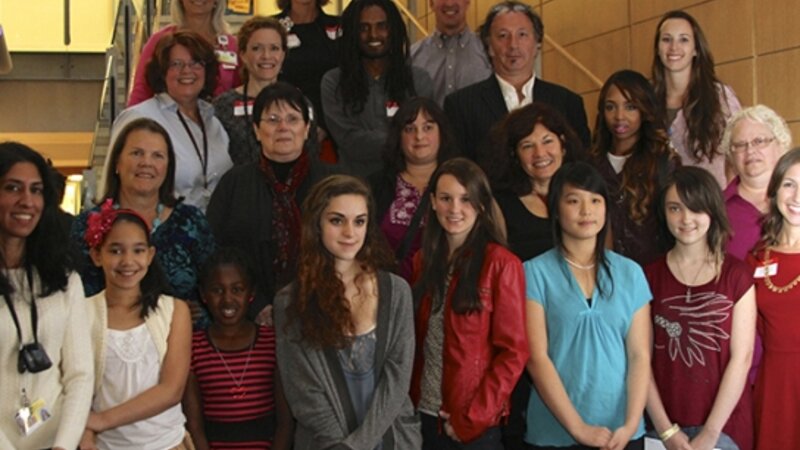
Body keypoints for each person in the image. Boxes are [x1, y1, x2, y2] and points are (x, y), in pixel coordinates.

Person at [274, 174, 421, 449]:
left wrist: (357, 445)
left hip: (393, 439)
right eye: (337, 220)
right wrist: (340, 446)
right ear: (316, 224)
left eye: (359, 221)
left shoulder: (397, 291)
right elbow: (303, 392)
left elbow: (398, 379)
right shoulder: (290, 302)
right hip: (326, 443)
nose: (350, 233)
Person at [524, 162, 651, 449]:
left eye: (595, 200)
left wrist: (630, 424)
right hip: (554, 433)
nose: (586, 210)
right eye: (573, 201)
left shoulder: (630, 273)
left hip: (621, 431)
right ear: (555, 209)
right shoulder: (533, 273)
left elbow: (639, 355)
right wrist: (578, 428)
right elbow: (536, 357)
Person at [411, 157, 529, 448]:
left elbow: (514, 353)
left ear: (481, 204)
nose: (454, 209)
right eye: (446, 198)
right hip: (422, 417)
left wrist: (473, 419)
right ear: (433, 202)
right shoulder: (423, 262)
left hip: (470, 424)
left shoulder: (501, 264)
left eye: (466, 199)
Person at [645, 166, 755, 450]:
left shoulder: (737, 275)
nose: (686, 219)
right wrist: (666, 430)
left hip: (725, 428)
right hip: (662, 427)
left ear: (712, 211)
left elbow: (741, 358)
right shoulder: (647, 277)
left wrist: (710, 432)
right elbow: (639, 360)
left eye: (695, 208)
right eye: (675, 208)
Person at [207, 82, 336, 321]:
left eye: (293, 119)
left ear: (307, 128)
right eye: (273, 119)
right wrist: (256, 305)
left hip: (320, 312)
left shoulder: (333, 184)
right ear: (256, 130)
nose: (283, 127)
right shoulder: (234, 183)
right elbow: (216, 251)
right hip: (247, 314)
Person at [72, 118, 216, 328]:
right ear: (117, 163)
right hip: (108, 343)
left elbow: (214, 285)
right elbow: (77, 296)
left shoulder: (191, 222)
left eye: (157, 155)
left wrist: (191, 312)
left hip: (188, 344)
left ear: (168, 167)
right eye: (136, 153)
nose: (146, 162)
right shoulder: (86, 225)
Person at [0, 142, 93, 450]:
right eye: (13, 188)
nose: (27, 201)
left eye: (36, 190)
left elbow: (80, 375)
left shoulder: (64, 277)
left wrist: (63, 447)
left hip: (54, 441)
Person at [80, 203, 191, 449]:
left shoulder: (173, 311)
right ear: (97, 255)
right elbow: (77, 384)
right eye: (116, 251)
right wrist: (86, 430)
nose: (128, 261)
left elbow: (171, 390)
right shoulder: (82, 313)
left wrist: (99, 420)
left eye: (138, 250)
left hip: (167, 444)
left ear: (150, 255)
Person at [444, 0, 590, 163]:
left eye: (522, 34)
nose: (513, 45)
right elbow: (458, 173)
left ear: (537, 44)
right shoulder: (461, 105)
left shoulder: (568, 103)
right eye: (503, 36)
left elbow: (582, 169)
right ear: (489, 46)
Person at [110, 31, 233, 211]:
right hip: (160, 232)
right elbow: (114, 183)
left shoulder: (214, 124)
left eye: (196, 63)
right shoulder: (139, 118)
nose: (186, 71)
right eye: (176, 64)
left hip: (213, 232)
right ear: (162, 72)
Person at [184, 247, 292, 449]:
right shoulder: (193, 347)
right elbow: (194, 426)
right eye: (217, 290)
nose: (227, 299)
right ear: (203, 295)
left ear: (251, 293)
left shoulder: (272, 342)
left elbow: (285, 423)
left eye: (237, 289)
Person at [321, 0, 433, 177]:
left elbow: (424, 138)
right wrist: (401, 137)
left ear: (393, 30)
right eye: (363, 28)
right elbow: (349, 141)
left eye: (382, 26)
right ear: (352, 33)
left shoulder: (418, 80)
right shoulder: (333, 82)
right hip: (354, 188)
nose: (373, 35)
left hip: (407, 186)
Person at [590, 70, 679, 266]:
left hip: (654, 273)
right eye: (610, 107)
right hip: (604, 274)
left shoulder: (663, 161)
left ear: (644, 110)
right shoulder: (590, 163)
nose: (619, 116)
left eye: (630, 107)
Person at [369, 97, 457, 281]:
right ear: (398, 136)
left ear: (442, 132)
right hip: (389, 290)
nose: (419, 136)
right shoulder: (375, 185)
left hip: (447, 292)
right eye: (409, 129)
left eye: (428, 127)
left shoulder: (461, 182)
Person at [746, 147, 800, 449]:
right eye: (789, 184)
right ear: (775, 189)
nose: (796, 197)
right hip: (773, 384)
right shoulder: (755, 259)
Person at [652, 10, 741, 188]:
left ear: (696, 50)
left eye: (683, 39)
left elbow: (738, 151)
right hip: (661, 206)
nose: (674, 47)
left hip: (708, 205)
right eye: (666, 39)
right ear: (658, 48)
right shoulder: (648, 98)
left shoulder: (720, 97)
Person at [488, 102, 582, 262]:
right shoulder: (501, 203)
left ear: (563, 145)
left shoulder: (586, 191)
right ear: (514, 155)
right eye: (527, 146)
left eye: (547, 141)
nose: (539, 153)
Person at [129, 0, 239, 106]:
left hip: (221, 122)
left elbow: (242, 91)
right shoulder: (159, 40)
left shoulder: (232, 45)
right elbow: (141, 91)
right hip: (169, 120)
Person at [213, 16, 288, 166]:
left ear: (283, 54)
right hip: (237, 187)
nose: (266, 56)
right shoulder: (222, 106)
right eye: (256, 48)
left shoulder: (299, 104)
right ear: (243, 55)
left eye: (274, 48)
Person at [722, 104, 793, 260]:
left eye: (759, 141)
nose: (750, 151)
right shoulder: (715, 208)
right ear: (731, 157)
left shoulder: (796, 200)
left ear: (781, 145)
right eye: (740, 145)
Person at [274, 0, 340, 140]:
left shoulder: (339, 26)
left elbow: (347, 79)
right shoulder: (271, 26)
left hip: (330, 126)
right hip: (280, 125)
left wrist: (324, 125)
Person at [409, 0, 491, 106]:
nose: (449, 3)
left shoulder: (489, 53)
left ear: (467, 2)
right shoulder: (413, 57)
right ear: (431, 3)